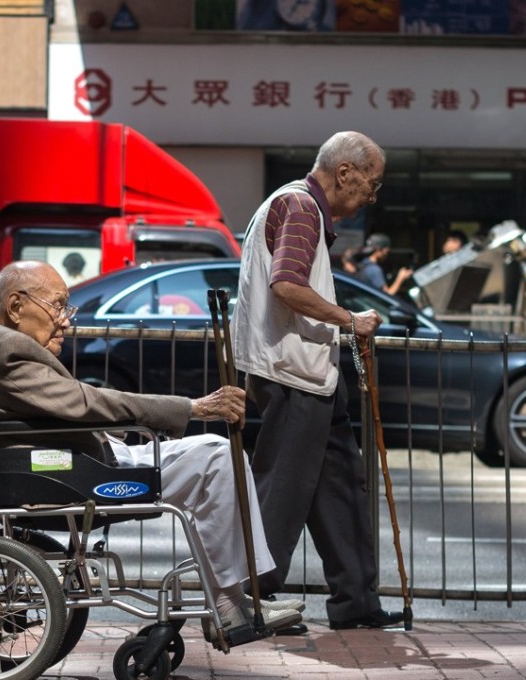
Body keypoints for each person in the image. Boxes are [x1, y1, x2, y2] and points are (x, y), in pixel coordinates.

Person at [0, 260, 306, 642]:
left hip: (80, 460)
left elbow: (73, 405)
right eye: (57, 306)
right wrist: (190, 408)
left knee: (216, 454)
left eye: (66, 308)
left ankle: (230, 599)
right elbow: (83, 401)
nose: (65, 321)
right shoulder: (8, 350)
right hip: (73, 471)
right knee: (218, 456)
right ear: (15, 307)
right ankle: (228, 604)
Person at [231, 131, 404, 631]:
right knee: (283, 489)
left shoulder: (291, 203)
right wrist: (348, 319)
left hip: (310, 372)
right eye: (370, 186)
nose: (371, 197)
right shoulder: (301, 207)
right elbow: (286, 285)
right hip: (293, 373)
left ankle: (356, 600)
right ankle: (250, 602)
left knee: (340, 487)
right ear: (344, 172)